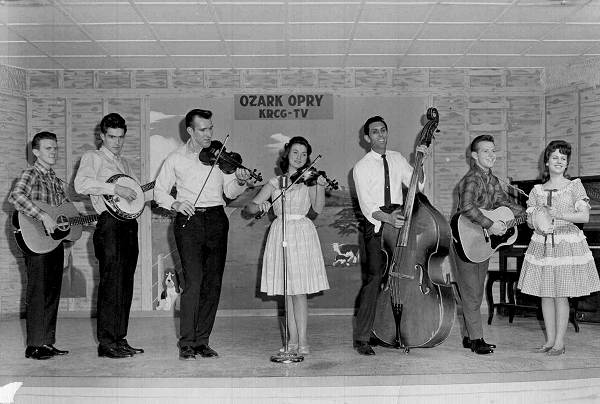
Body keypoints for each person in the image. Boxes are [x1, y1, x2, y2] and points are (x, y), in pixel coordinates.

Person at [154, 108, 251, 360]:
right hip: (189, 222)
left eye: (211, 128)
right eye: (203, 130)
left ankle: (202, 341)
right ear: (190, 131)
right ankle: (186, 342)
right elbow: (159, 192)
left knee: (212, 284)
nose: (209, 134)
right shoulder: (175, 158)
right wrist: (175, 204)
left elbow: (229, 192)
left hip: (217, 219)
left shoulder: (219, 157)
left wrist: (240, 180)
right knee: (194, 282)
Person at [243, 136, 330, 355]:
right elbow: (249, 209)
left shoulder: (310, 179)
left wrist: (319, 186)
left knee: (298, 291)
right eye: (295, 153)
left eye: (304, 154)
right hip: (280, 232)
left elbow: (317, 209)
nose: (300, 158)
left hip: (302, 232)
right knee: (287, 292)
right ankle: (291, 342)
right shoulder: (275, 182)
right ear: (287, 154)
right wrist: (260, 206)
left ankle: (303, 342)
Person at [352, 116, 427, 356]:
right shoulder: (360, 167)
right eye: (375, 132)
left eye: (383, 130)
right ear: (367, 138)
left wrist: (420, 161)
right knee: (375, 279)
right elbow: (366, 206)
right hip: (377, 223)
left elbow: (418, 186)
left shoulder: (397, 158)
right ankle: (363, 337)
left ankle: (392, 330)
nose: (380, 135)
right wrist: (388, 219)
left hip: (399, 219)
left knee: (399, 278)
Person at [518, 140, 600, 356]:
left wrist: (558, 215)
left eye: (563, 158)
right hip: (543, 245)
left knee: (561, 295)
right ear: (546, 162)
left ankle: (560, 343)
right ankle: (549, 340)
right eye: (555, 157)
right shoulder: (536, 191)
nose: (559, 161)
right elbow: (529, 221)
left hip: (566, 244)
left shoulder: (574, 186)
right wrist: (537, 218)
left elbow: (584, 216)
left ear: (567, 164)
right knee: (546, 294)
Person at [74, 112, 145, 359]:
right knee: (111, 283)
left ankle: (120, 339)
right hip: (109, 225)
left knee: (125, 283)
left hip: (128, 226)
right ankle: (106, 344)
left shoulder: (124, 164)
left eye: (121, 137)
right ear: (102, 135)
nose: (117, 142)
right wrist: (115, 188)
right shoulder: (92, 157)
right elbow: (80, 185)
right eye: (112, 137)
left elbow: (137, 193)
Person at [453, 134, 524, 354]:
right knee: (472, 291)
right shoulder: (472, 178)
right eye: (486, 151)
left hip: (480, 243)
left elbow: (505, 203)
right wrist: (490, 224)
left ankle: (468, 336)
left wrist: (528, 213)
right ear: (474, 156)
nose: (491, 155)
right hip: (464, 240)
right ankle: (477, 340)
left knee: (473, 290)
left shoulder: (492, 180)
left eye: (493, 151)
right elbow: (466, 207)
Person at [9, 131, 70, 360]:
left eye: (55, 148)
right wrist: (43, 216)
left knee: (52, 291)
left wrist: (83, 220)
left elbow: (62, 213)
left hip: (52, 242)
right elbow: (16, 197)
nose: (53, 152)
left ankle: (47, 342)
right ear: (36, 152)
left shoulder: (55, 179)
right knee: (38, 292)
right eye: (48, 148)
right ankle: (34, 345)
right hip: (34, 240)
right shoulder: (30, 174)